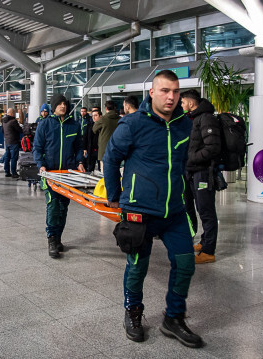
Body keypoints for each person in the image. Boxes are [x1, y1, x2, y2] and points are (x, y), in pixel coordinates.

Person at [103, 70, 202, 348]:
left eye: (175, 91)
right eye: (164, 91)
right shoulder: (133, 124)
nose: (171, 97)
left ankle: (173, 318)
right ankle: (133, 312)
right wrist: (115, 195)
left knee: (185, 263)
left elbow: (181, 162)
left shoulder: (185, 125)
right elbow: (110, 159)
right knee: (138, 266)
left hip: (175, 211)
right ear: (152, 93)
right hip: (139, 210)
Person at [33, 94, 85, 258]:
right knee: (53, 204)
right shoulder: (45, 124)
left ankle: (58, 237)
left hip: (68, 175)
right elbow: (37, 148)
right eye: (59, 104)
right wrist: (41, 164)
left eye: (65, 103)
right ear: (53, 106)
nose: (63, 106)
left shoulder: (74, 125)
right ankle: (52, 239)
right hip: (50, 174)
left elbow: (78, 148)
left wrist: (80, 162)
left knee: (63, 207)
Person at [180, 89, 221, 264]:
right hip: (190, 171)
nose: (181, 105)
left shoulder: (206, 118)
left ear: (190, 103)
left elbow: (213, 148)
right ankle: (203, 241)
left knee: (206, 210)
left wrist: (191, 159)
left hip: (202, 172)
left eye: (182, 102)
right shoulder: (193, 118)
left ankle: (209, 251)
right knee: (190, 207)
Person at [93, 101, 121, 172]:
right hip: (117, 148)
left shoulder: (103, 119)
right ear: (114, 108)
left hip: (104, 149)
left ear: (106, 108)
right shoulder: (119, 119)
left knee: (104, 172)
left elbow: (94, 129)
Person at [2, 108, 23, 178]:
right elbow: (20, 130)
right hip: (14, 142)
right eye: (14, 113)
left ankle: (7, 172)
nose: (14, 114)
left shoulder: (4, 121)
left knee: (7, 158)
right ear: (11, 113)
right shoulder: (13, 121)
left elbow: (2, 131)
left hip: (7, 142)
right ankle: (14, 173)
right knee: (14, 158)